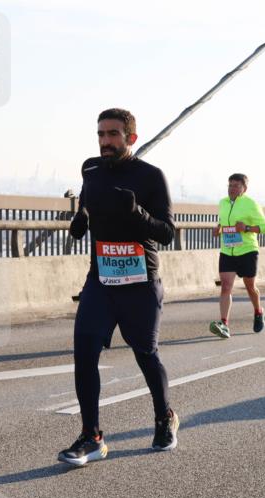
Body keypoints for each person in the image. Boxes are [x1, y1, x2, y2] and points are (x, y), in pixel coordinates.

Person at [60, 108, 179, 467]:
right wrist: (80, 221)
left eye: (113, 134)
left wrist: (137, 214)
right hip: (101, 279)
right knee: (84, 353)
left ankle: (164, 418)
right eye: (101, 134)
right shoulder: (91, 169)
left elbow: (168, 233)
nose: (105, 141)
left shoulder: (151, 176)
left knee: (145, 352)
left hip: (140, 281)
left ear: (131, 138)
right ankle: (91, 437)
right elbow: (87, 208)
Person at [209, 173, 265, 337]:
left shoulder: (251, 204)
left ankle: (258, 311)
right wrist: (218, 229)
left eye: (236, 186)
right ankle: (224, 324)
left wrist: (247, 228)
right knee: (226, 286)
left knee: (250, 287)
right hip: (227, 250)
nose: (232, 189)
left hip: (247, 251)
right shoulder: (223, 203)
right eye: (230, 185)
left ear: (244, 188)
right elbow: (223, 223)